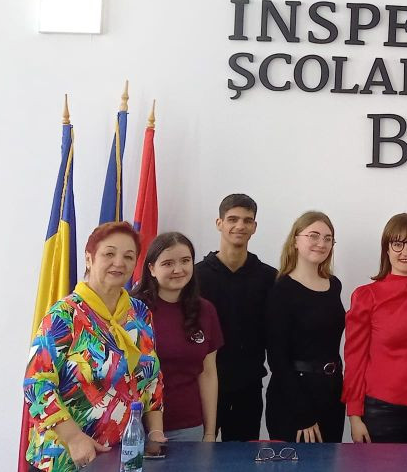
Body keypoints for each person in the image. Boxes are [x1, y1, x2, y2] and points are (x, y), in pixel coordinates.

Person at [25, 222, 165, 471]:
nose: (119, 263)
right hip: (65, 459)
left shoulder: (140, 313)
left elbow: (152, 379)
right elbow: (36, 384)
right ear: (89, 259)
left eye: (128, 256)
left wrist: (155, 433)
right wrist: (74, 438)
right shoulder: (65, 314)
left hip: (123, 455)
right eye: (109, 254)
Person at [342, 213, 407, 443]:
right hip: (381, 409)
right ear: (387, 249)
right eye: (397, 244)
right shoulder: (366, 296)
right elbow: (355, 360)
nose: (405, 251)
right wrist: (354, 416)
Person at [194, 193, 277, 441]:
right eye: (232, 219)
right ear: (219, 223)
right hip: (202, 383)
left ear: (254, 227)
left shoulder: (269, 278)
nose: (240, 226)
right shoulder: (195, 277)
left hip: (248, 387)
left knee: (242, 457)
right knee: (199, 455)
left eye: (247, 220)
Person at [133, 231, 223, 442]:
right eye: (168, 263)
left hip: (188, 426)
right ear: (151, 268)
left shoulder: (205, 310)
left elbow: (208, 373)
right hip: (135, 427)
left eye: (185, 261)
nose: (178, 269)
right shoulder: (133, 309)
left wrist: (210, 432)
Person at [266, 211, 346, 443]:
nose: (321, 243)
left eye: (328, 238)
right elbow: (277, 359)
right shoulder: (281, 290)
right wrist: (303, 413)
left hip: (331, 393)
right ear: (295, 240)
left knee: (330, 460)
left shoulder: (334, 285)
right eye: (313, 235)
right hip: (294, 399)